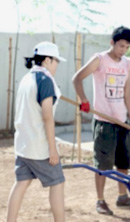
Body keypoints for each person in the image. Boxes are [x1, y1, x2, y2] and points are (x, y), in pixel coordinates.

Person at [72, 26, 130, 215]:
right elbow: (77, 79)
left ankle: (122, 196)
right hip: (104, 122)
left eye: (127, 47)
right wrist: (83, 100)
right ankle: (100, 200)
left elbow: (127, 91)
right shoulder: (99, 59)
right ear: (112, 42)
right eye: (120, 46)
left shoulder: (127, 63)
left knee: (124, 162)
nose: (123, 50)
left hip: (121, 121)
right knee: (103, 164)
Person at [6, 41, 67, 222]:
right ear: (47, 60)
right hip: (39, 147)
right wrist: (53, 149)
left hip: (23, 144)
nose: (57, 65)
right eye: (56, 61)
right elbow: (47, 116)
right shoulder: (45, 81)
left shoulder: (27, 79)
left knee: (21, 183)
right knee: (58, 183)